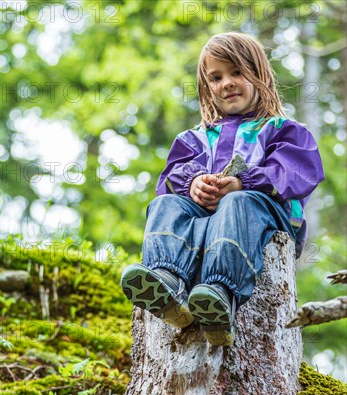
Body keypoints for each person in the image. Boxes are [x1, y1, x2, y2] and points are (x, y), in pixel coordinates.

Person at [120, 32, 325, 346]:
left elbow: (299, 172)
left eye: (237, 73)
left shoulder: (284, 130)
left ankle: (220, 293)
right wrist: (194, 183)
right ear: (206, 89)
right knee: (164, 206)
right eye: (216, 78)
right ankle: (166, 280)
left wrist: (245, 182)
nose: (227, 82)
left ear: (260, 76)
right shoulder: (195, 138)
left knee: (237, 202)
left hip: (265, 219)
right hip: (205, 221)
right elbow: (169, 179)